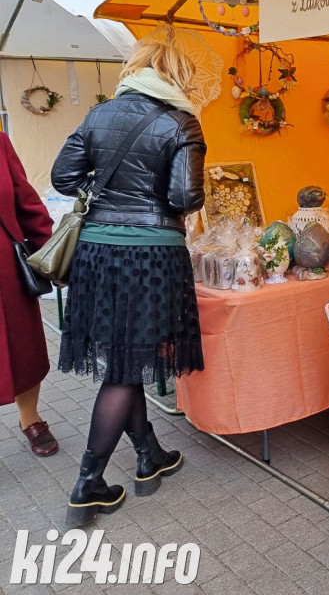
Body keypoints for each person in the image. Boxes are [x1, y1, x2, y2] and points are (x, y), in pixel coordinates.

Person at [52, 36, 207, 527]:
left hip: (97, 252)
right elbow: (184, 197)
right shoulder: (181, 122)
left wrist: (106, 196)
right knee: (123, 369)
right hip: (151, 254)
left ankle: (150, 457)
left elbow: (62, 178)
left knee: (124, 356)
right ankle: (88, 484)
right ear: (178, 75)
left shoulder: (99, 115)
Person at [0, 133, 58, 457]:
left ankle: (30, 418)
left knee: (23, 350)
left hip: (7, 273)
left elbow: (28, 205)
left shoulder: (1, 144)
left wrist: (53, 254)